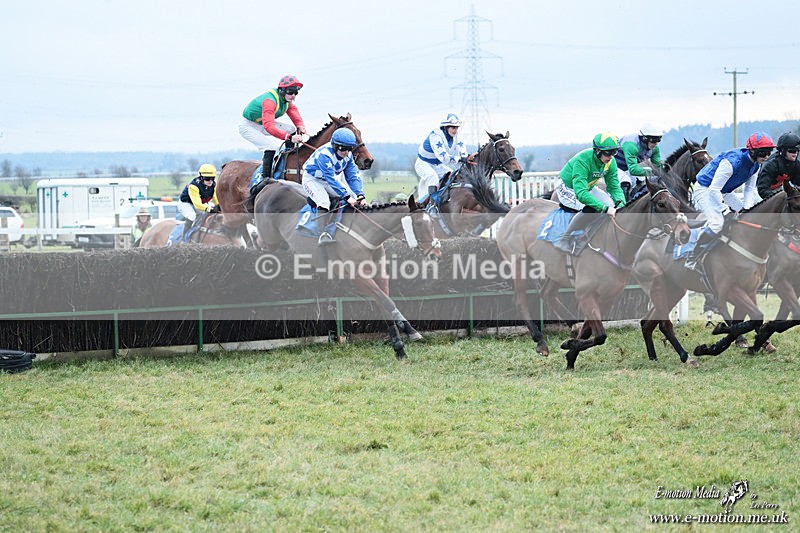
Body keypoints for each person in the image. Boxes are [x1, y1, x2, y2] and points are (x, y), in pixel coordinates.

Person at [684, 131, 776, 270]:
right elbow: (714, 189)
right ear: (752, 151)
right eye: (763, 153)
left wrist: (747, 209)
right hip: (705, 189)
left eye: (769, 152)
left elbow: (749, 189)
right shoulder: (732, 162)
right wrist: (725, 210)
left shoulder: (756, 164)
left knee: (749, 218)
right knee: (717, 223)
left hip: (724, 191)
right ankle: (692, 256)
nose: (767, 157)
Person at [553, 132, 626, 254]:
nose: (611, 156)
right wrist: (603, 208)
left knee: (612, 204)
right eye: (608, 152)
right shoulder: (583, 160)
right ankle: (564, 239)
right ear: (597, 151)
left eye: (614, 152)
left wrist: (621, 203)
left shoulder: (611, 162)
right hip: (569, 188)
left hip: (589, 186)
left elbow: (614, 187)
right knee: (593, 208)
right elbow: (580, 193)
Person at [302, 128, 368, 245]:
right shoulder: (325, 155)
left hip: (327, 181)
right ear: (335, 146)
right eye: (343, 148)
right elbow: (331, 179)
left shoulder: (348, 156)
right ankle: (322, 234)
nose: (346, 152)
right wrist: (346, 196)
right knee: (324, 202)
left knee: (354, 197)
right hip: (312, 179)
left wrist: (360, 195)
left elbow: (352, 177)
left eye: (349, 148)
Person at [239, 74, 307, 180]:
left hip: (261, 123)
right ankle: (265, 179)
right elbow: (269, 126)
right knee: (270, 147)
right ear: (282, 91)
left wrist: (300, 126)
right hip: (248, 126)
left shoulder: (286, 100)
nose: (293, 95)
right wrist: (289, 138)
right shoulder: (270, 101)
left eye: (296, 92)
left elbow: (293, 111)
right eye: (291, 92)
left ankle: (289, 160)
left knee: (292, 129)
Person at [414, 113, 469, 206]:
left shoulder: (457, 137)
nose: (455, 130)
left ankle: (447, 201)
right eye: (452, 127)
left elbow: (463, 154)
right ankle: (431, 205)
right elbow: (444, 158)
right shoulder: (435, 136)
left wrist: (467, 159)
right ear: (446, 127)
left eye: (456, 128)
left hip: (437, 165)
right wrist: (461, 159)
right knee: (433, 178)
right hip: (423, 164)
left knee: (453, 176)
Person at [614, 123, 664, 202]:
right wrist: (652, 171)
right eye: (654, 140)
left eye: (659, 140)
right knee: (625, 182)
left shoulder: (655, 149)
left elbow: (658, 167)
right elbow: (633, 170)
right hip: (613, 166)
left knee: (643, 183)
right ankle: (620, 207)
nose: (656, 143)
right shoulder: (631, 144)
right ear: (644, 138)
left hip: (628, 167)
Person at [178, 164, 219, 240]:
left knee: (207, 215)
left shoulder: (213, 185)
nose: (210, 181)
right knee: (192, 216)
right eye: (207, 178)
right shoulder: (194, 186)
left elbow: (216, 200)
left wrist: (220, 207)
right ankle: (183, 239)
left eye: (212, 178)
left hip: (200, 203)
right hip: (186, 203)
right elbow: (197, 205)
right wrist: (210, 209)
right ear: (201, 177)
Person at [756, 131, 800, 199]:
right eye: (792, 150)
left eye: (797, 150)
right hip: (758, 195)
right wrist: (781, 198)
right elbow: (762, 190)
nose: (795, 153)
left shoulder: (796, 165)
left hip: (778, 193)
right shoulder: (771, 165)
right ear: (782, 151)